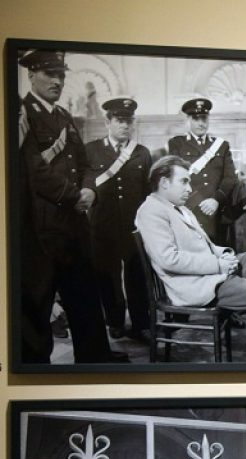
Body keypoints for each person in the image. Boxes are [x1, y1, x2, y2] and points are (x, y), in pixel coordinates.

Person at [135, 155, 246, 341]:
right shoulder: (151, 211)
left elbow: (205, 244)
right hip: (200, 285)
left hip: (214, 271)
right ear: (164, 182)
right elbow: (169, 260)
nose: (190, 189)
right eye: (184, 182)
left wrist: (225, 255)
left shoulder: (180, 209)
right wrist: (218, 265)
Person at [17, 49, 114, 364]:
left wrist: (89, 188)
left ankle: (95, 364)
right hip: (40, 228)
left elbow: (85, 163)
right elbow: (33, 170)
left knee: (85, 302)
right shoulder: (21, 113)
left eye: (60, 75)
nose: (57, 81)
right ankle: (35, 374)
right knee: (36, 305)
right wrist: (75, 196)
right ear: (31, 75)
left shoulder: (64, 117)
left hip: (73, 226)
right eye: (49, 74)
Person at [84, 97, 152, 340]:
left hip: (134, 226)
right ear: (108, 122)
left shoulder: (142, 153)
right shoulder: (91, 150)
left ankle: (141, 324)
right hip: (102, 225)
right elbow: (86, 183)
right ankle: (114, 321)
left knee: (137, 275)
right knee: (107, 275)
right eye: (120, 120)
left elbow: (148, 192)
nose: (125, 125)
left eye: (128, 121)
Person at [167, 98, 239, 240]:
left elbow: (230, 177)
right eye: (196, 118)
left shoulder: (222, 145)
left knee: (219, 252)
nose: (201, 123)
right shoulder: (177, 144)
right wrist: (198, 202)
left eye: (204, 118)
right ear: (188, 120)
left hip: (217, 212)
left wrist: (215, 200)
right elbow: (176, 176)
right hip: (189, 210)